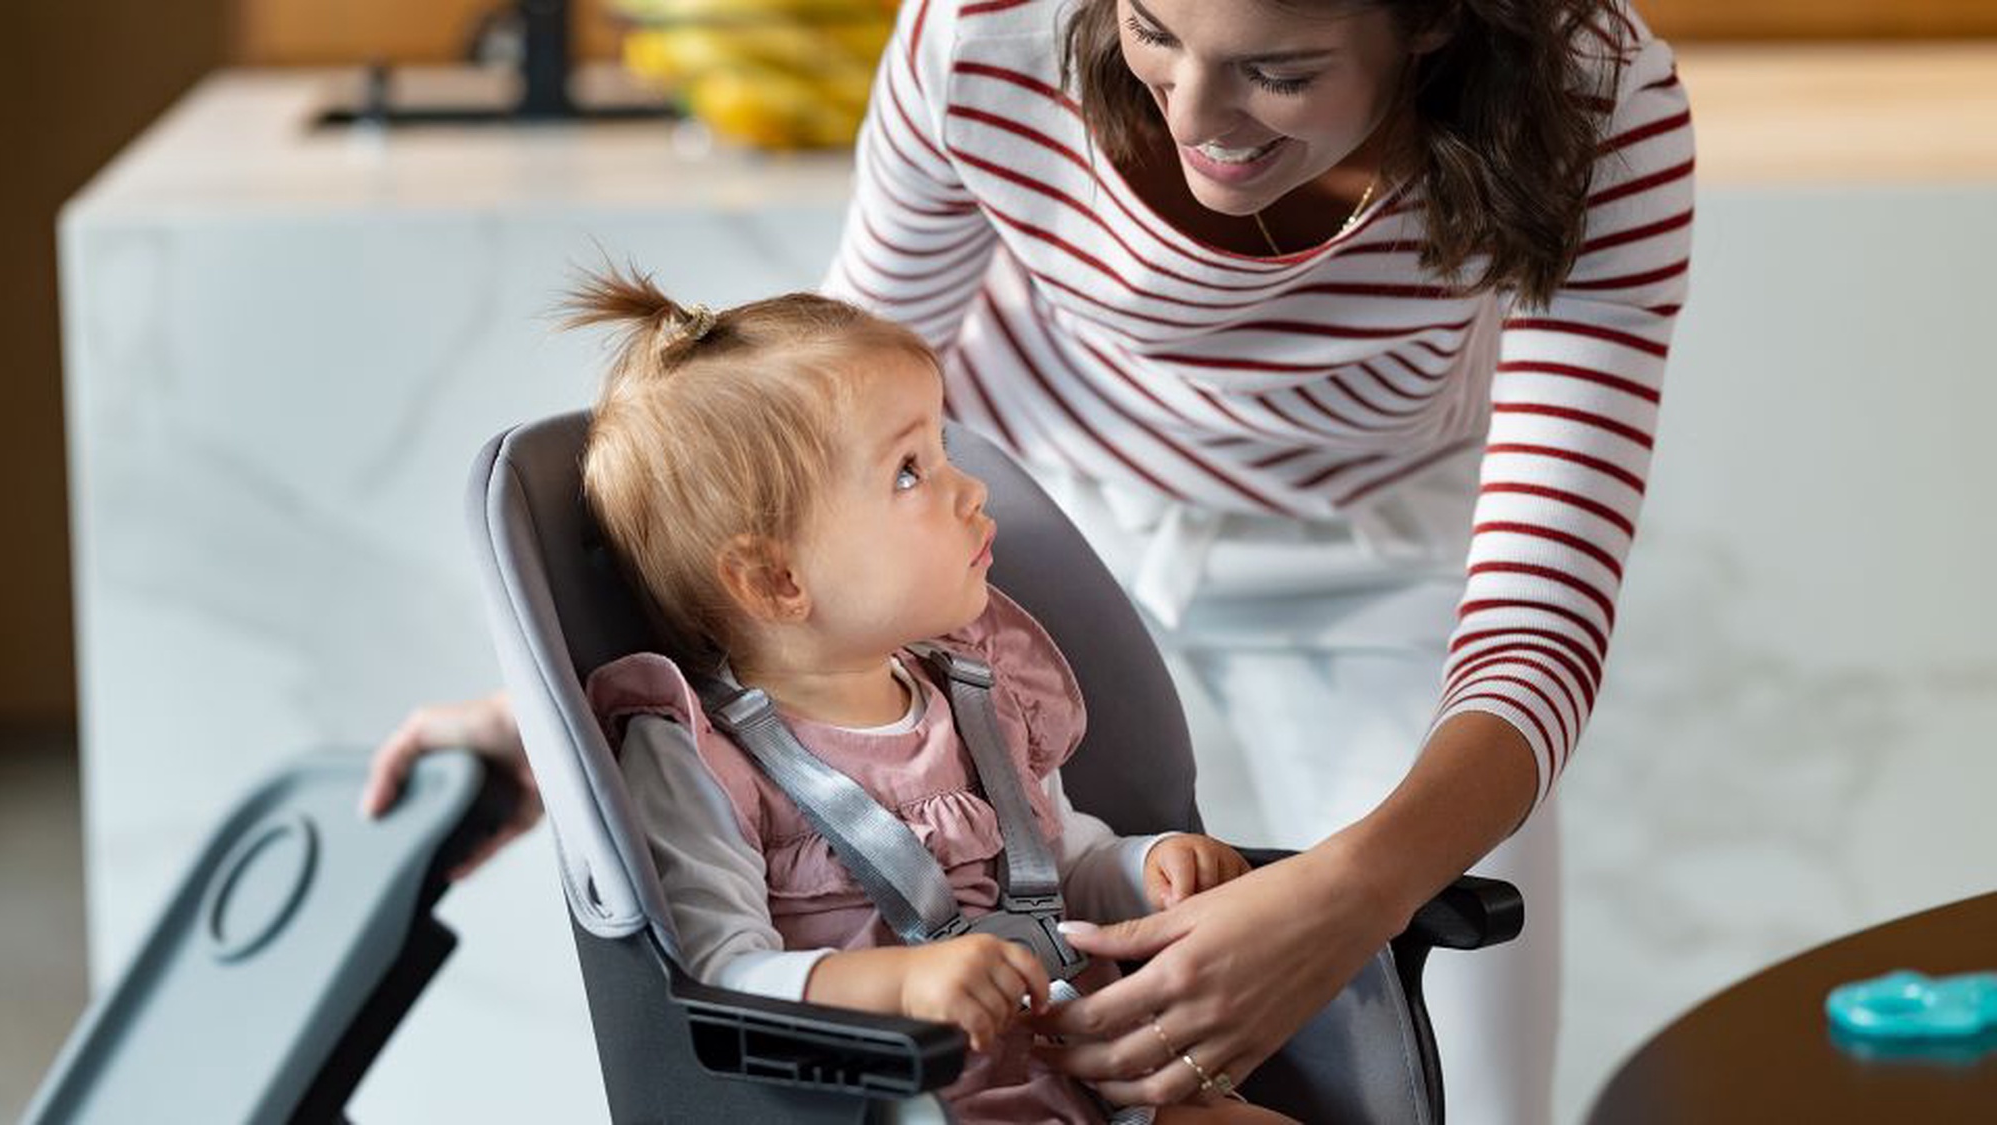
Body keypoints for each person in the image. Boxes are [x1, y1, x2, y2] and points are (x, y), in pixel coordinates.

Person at [365, 1, 1693, 1120]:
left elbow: (1540, 610)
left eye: (1280, 71)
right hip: (1023, 524)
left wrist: (1356, 887)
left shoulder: (1598, 106)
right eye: (1151, 30)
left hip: (1366, 541)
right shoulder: (989, 31)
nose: (1192, 113)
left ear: (1435, 26)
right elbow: (815, 429)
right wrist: (555, 718)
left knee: (1464, 1076)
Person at [549, 265, 1293, 1124]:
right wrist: (903, 984)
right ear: (776, 579)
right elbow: (722, 977)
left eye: (940, 451)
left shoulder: (977, 691)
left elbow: (1063, 865)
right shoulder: (701, 757)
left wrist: (1147, 867)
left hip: (1093, 1074)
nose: (969, 489)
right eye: (909, 471)